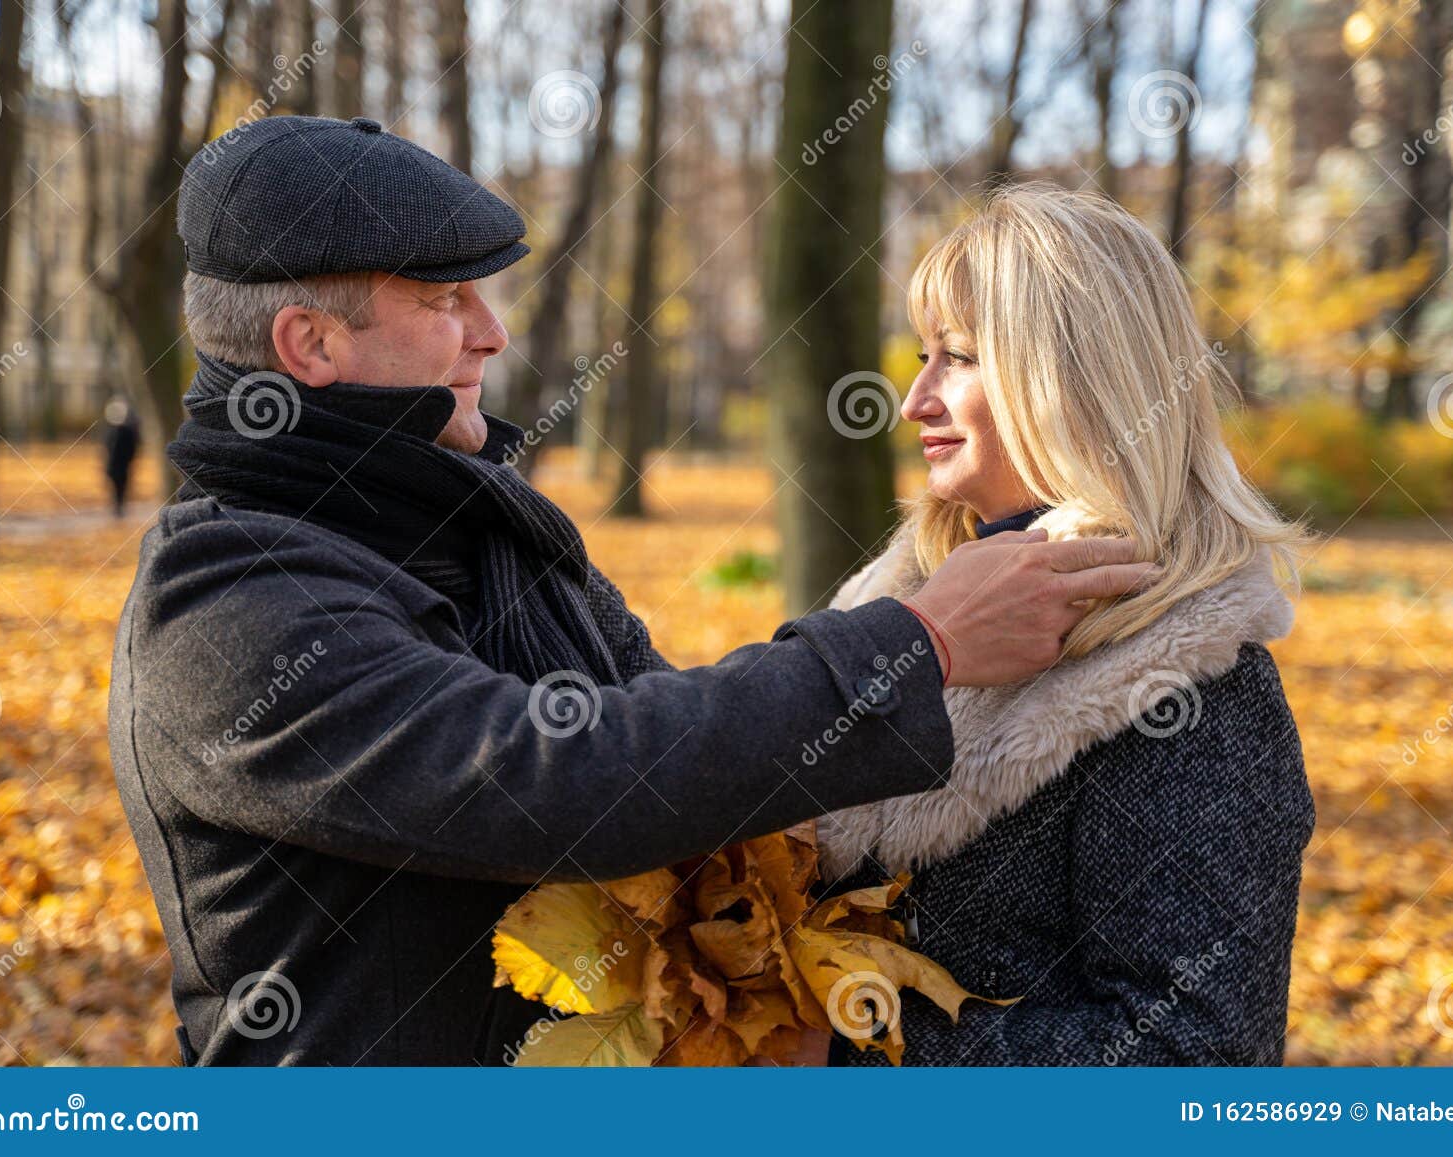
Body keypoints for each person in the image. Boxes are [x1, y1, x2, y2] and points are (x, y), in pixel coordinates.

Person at [107, 117, 1161, 1066]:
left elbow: (677, 759)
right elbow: (561, 778)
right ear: (312, 344)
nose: (493, 332)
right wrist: (914, 642)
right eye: (444, 299)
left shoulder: (480, 529)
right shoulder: (226, 602)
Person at [816, 184, 1316, 1067]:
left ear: (1076, 378)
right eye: (923, 356)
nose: (915, 400)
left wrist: (852, 1048)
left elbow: (1196, 1060)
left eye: (959, 358)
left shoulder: (1186, 685)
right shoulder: (878, 607)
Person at [102, 395, 140, 517]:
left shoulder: (119, 432)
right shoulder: (115, 432)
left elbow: (130, 450)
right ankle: (118, 507)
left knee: (120, 487)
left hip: (120, 466)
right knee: (118, 487)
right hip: (118, 466)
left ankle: (119, 508)